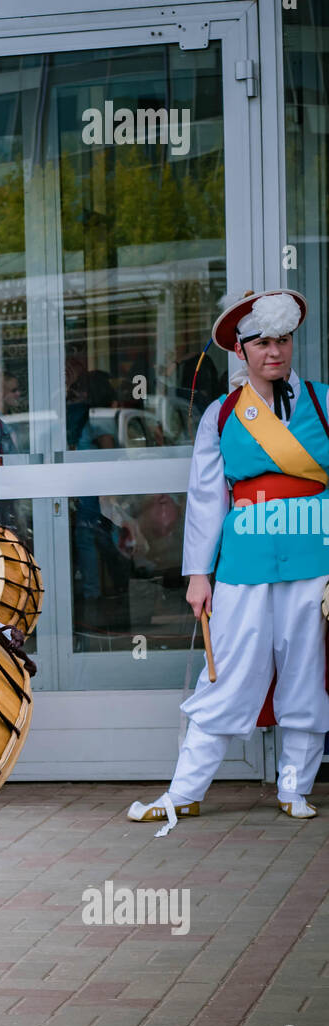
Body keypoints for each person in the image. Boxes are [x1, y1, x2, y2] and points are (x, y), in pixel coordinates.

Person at [127, 290, 329, 829]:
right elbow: (207, 499)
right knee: (227, 675)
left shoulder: (325, 402)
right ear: (241, 350)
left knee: (305, 675)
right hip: (244, 562)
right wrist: (198, 574)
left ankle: (295, 786)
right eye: (262, 342)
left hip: (314, 558)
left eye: (282, 340)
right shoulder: (221, 415)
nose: (274, 351)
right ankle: (184, 791)